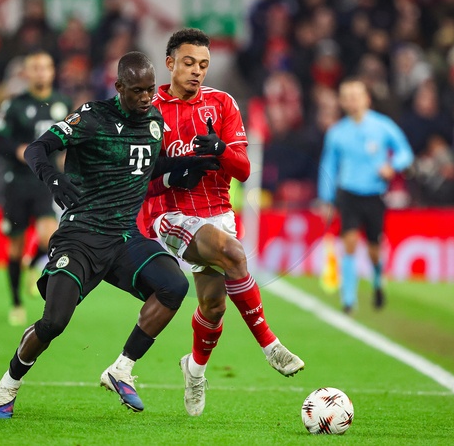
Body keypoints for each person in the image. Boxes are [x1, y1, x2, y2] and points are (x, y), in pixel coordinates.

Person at [0, 51, 217, 419]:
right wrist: (54, 178)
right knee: (54, 322)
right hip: (80, 236)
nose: (146, 98)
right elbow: (37, 148)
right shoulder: (91, 117)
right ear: (119, 87)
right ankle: (9, 384)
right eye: (138, 91)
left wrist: (192, 162)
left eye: (150, 89)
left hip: (124, 237)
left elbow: (149, 165)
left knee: (174, 286)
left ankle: (121, 369)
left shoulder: (153, 121)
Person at [145, 28, 304, 417]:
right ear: (170, 63)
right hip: (171, 214)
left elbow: (244, 170)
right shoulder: (150, 110)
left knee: (214, 306)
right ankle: (270, 345)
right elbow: (141, 178)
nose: (196, 71)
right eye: (188, 63)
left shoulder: (222, 103)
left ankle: (194, 370)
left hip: (217, 212)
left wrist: (220, 150)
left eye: (203, 64)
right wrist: (173, 174)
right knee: (234, 254)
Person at [317, 77, 414, 313]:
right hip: (348, 193)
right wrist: (326, 197)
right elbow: (328, 166)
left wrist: (392, 166)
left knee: (374, 249)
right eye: (347, 97)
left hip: (374, 194)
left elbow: (405, 152)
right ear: (342, 102)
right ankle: (349, 299)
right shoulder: (337, 133)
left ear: (366, 99)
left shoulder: (382, 126)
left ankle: (378, 282)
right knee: (348, 242)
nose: (352, 101)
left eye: (356, 96)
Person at [0, 50, 72, 326]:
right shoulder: (14, 106)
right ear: (27, 73)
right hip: (17, 182)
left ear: (52, 71)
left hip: (45, 181)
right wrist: (18, 149)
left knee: (50, 238)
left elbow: (71, 139)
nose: (41, 72)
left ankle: (33, 263)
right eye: (35, 68)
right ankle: (16, 302)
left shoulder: (63, 103)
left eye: (45, 67)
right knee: (15, 245)